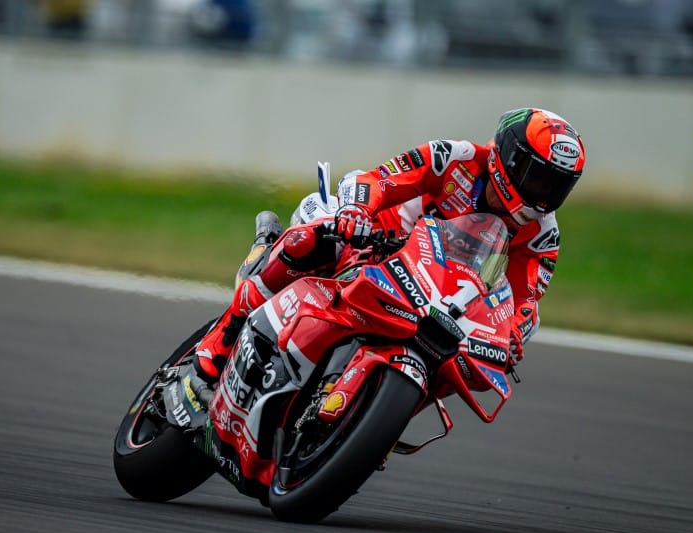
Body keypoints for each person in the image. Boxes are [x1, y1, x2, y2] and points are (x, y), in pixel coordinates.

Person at [191, 107, 586, 385]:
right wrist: (357, 211)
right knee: (310, 240)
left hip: (439, 301)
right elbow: (379, 178)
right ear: (511, 157)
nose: (543, 194)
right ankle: (225, 335)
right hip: (373, 247)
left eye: (556, 186)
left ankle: (376, 420)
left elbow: (524, 302)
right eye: (538, 178)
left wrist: (514, 332)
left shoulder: (541, 235)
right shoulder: (455, 158)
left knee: (475, 365)